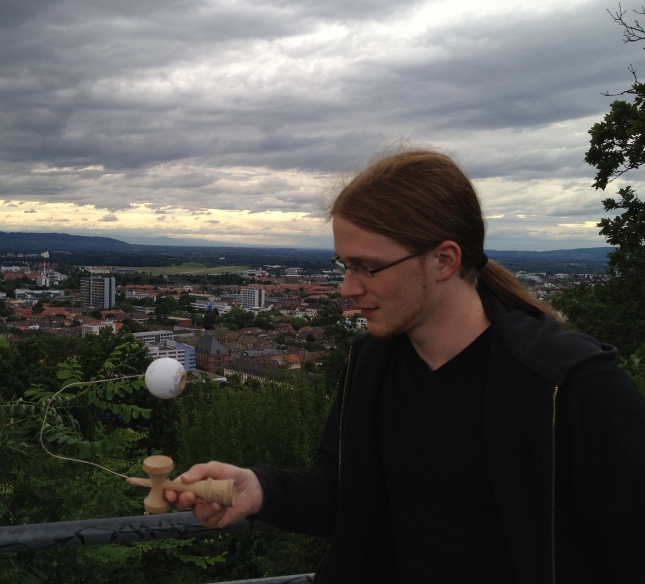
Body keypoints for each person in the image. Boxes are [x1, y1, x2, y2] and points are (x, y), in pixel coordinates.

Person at [166, 149, 645, 583]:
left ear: (444, 260)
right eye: (343, 265)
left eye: (367, 267)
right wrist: (259, 489)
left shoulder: (570, 388)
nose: (347, 288)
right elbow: (345, 494)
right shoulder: (372, 361)